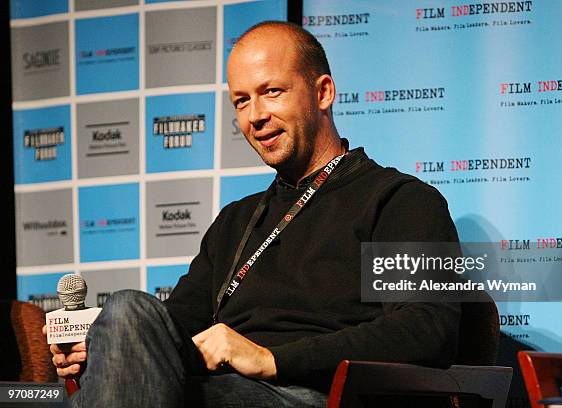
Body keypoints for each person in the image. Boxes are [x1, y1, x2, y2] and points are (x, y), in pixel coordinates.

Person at [46, 21, 461, 407]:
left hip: (313, 394)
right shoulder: (235, 221)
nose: (255, 116)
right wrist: (105, 349)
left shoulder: (399, 200)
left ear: (323, 93)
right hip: (218, 387)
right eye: (241, 101)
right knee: (126, 311)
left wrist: (271, 359)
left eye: (272, 92)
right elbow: (171, 328)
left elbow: (425, 328)